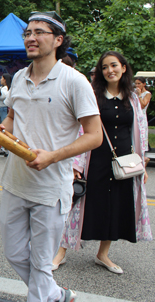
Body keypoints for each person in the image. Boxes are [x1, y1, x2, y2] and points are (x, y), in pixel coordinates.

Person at [0, 11, 102, 302]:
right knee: (14, 252)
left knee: (41, 264)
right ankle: (56, 294)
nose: (30, 37)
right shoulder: (18, 77)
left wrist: (53, 156)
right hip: (15, 181)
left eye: (39, 32)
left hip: (51, 187)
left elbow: (94, 135)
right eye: (27, 32)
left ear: (57, 40)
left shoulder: (74, 81)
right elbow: (12, 120)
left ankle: (44, 295)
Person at [53, 51, 152, 275]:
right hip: (95, 159)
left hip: (124, 162)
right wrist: (77, 164)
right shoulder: (93, 96)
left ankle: (103, 254)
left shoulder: (133, 98)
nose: (110, 70)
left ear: (124, 68)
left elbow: (141, 130)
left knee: (116, 206)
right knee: (79, 204)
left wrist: (142, 164)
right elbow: (81, 129)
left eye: (114, 65)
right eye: (105, 67)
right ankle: (60, 253)